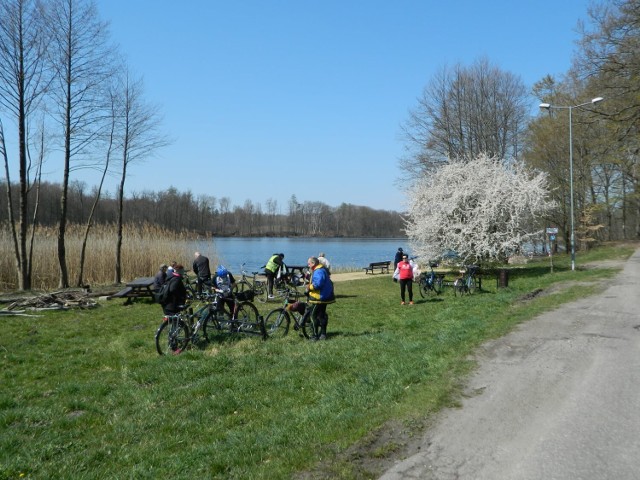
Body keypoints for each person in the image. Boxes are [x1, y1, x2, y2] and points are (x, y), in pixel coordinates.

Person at [306, 256, 335, 340]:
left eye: (309, 263)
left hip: (319, 297)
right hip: (325, 296)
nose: (308, 265)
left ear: (313, 263)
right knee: (321, 315)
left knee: (313, 316)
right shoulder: (322, 269)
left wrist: (309, 287)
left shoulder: (318, 271)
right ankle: (323, 334)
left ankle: (314, 336)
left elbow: (318, 284)